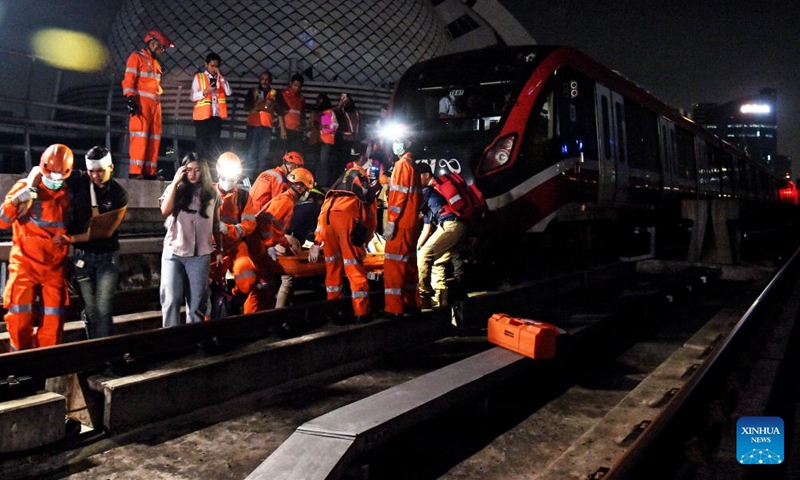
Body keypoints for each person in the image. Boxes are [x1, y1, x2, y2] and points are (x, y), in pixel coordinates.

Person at [0, 144, 73, 350]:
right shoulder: (24, 187)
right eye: (52, 173)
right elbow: (2, 221)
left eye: (61, 175)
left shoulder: (69, 195)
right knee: (19, 318)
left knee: (53, 320)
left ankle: (46, 367)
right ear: (42, 167)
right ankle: (20, 366)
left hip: (54, 267)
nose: (55, 179)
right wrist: (18, 199)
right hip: (25, 264)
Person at [62, 146, 129, 338]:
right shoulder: (81, 180)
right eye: (92, 171)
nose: (96, 175)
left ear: (111, 167)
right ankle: (95, 353)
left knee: (103, 308)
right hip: (82, 256)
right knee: (91, 310)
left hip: (107, 256)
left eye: (100, 170)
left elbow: (103, 232)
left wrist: (71, 238)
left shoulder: (119, 194)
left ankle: (105, 352)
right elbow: (53, 173)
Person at [159, 152, 223, 327]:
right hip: (174, 251)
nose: (193, 174)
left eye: (197, 170)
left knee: (197, 302)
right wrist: (174, 182)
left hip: (200, 254)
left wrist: (220, 250)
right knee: (171, 299)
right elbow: (165, 210)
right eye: (188, 170)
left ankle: (193, 339)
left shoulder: (212, 194)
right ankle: (170, 338)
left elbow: (216, 224)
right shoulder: (176, 190)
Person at [243, 167, 315, 313]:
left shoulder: (286, 200)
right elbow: (265, 224)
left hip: (259, 243)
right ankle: (258, 320)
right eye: (306, 189)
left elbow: (278, 231)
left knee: (266, 284)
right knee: (261, 284)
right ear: (301, 188)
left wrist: (287, 248)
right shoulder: (285, 202)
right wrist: (269, 245)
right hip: (258, 245)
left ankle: (265, 318)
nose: (306, 193)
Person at [309, 167, 375, 323]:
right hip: (347, 222)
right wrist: (365, 241)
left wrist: (316, 243)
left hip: (327, 224)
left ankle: (334, 310)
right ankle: (362, 312)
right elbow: (371, 219)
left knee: (333, 270)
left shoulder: (331, 194)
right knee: (354, 269)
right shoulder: (362, 193)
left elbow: (320, 221)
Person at [122, 29, 174, 179]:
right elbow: (129, 80)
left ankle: (149, 172)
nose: (162, 51)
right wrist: (131, 98)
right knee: (140, 137)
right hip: (141, 104)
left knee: (154, 138)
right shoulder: (136, 57)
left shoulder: (155, 63)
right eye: (161, 47)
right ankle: (136, 172)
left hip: (155, 105)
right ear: (152, 43)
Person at [209, 152, 257, 313]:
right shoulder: (208, 193)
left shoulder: (243, 196)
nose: (229, 181)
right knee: (208, 285)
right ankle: (207, 326)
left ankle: (234, 299)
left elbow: (250, 223)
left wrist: (230, 229)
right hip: (212, 247)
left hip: (235, 245)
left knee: (247, 276)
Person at [416, 163, 467, 309]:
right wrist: (416, 247)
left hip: (451, 225)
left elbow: (414, 213)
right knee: (438, 262)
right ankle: (441, 301)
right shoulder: (434, 196)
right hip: (453, 225)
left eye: (417, 177)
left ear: (426, 175)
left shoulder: (427, 190)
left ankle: (424, 296)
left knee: (424, 255)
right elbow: (426, 228)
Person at [382, 140, 422, 320]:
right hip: (411, 223)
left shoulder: (401, 165)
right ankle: (412, 303)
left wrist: (391, 221)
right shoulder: (413, 166)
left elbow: (398, 196)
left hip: (401, 224)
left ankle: (393, 307)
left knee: (394, 266)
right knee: (409, 266)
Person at [276, 188, 325, 308]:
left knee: (283, 281)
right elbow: (319, 230)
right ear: (318, 199)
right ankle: (277, 315)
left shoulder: (298, 206)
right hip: (291, 243)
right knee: (288, 281)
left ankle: (285, 311)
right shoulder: (314, 208)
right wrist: (317, 244)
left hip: (279, 242)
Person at [191, 52, 232, 162]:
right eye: (212, 66)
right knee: (202, 145)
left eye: (216, 66)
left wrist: (222, 77)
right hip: (202, 117)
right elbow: (193, 96)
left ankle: (212, 171)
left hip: (216, 116)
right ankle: (200, 169)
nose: (214, 68)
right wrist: (205, 91)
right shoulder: (199, 77)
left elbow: (228, 92)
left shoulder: (220, 79)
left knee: (215, 145)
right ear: (206, 65)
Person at [244, 71, 280, 176]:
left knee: (263, 153)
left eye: (267, 79)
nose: (264, 81)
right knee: (252, 151)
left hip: (267, 126)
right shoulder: (253, 91)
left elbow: (280, 109)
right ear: (259, 80)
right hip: (254, 125)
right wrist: (257, 103)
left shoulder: (274, 93)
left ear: (270, 81)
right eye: (262, 79)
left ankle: (260, 176)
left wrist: (273, 104)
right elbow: (246, 106)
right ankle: (249, 176)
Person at [311, 93, 338, 188]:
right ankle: (318, 181)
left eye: (320, 101)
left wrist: (322, 129)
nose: (319, 103)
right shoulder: (322, 113)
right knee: (319, 162)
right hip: (320, 140)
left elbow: (333, 126)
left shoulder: (329, 112)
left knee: (324, 162)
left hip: (326, 141)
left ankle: (323, 182)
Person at [278, 73, 306, 153]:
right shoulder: (283, 95)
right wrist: (283, 129)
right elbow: (280, 112)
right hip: (285, 128)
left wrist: (302, 127)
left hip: (296, 130)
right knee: (281, 152)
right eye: (295, 85)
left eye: (299, 86)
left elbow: (302, 114)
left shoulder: (301, 98)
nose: (296, 88)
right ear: (291, 83)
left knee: (293, 153)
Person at [334, 92, 361, 174]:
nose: (345, 101)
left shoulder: (356, 112)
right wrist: (340, 104)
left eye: (346, 99)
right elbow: (327, 126)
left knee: (353, 161)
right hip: (343, 140)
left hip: (354, 141)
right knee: (342, 162)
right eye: (342, 99)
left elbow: (360, 125)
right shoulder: (338, 112)